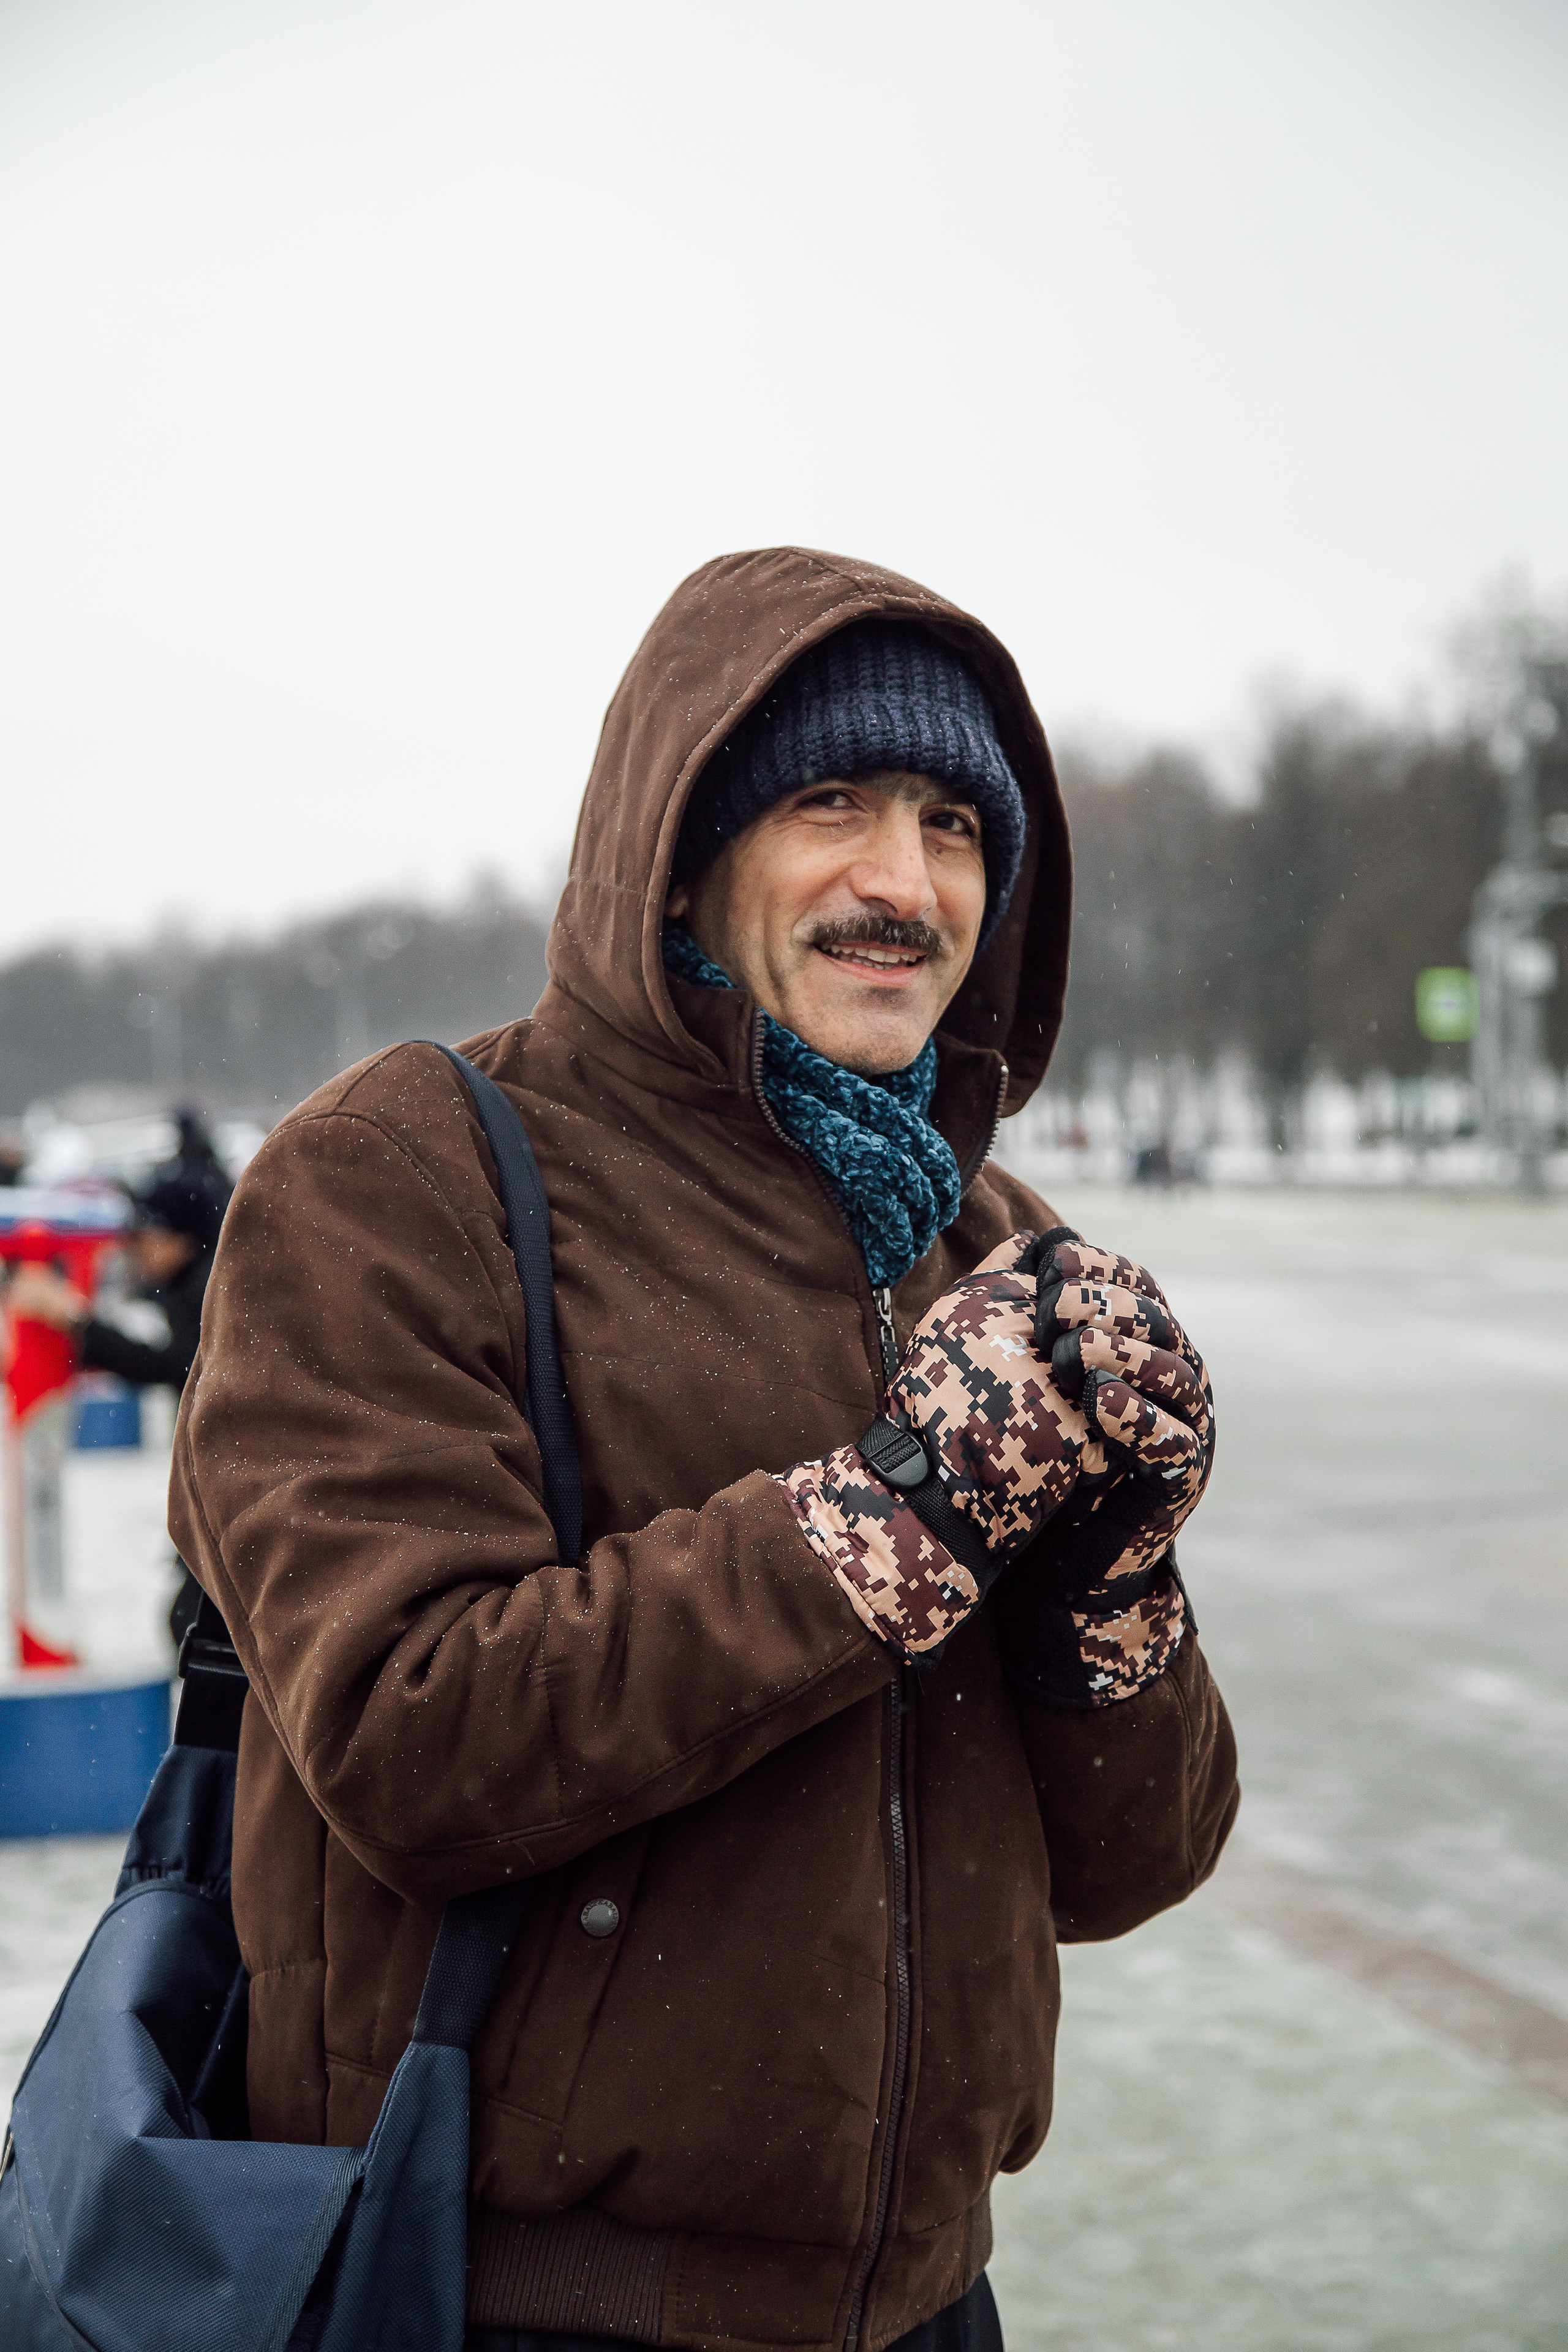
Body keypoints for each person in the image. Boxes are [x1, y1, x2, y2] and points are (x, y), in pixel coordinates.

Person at [170, 549, 1238, 2352]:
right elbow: (412, 1736)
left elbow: (1133, 1867)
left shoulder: (991, 1247)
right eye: (833, 805)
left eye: (955, 826)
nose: (903, 883)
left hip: (926, 2308)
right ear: (683, 843)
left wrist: (1109, 1580)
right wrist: (900, 1513)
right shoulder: (404, 1173)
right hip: (502, 2298)